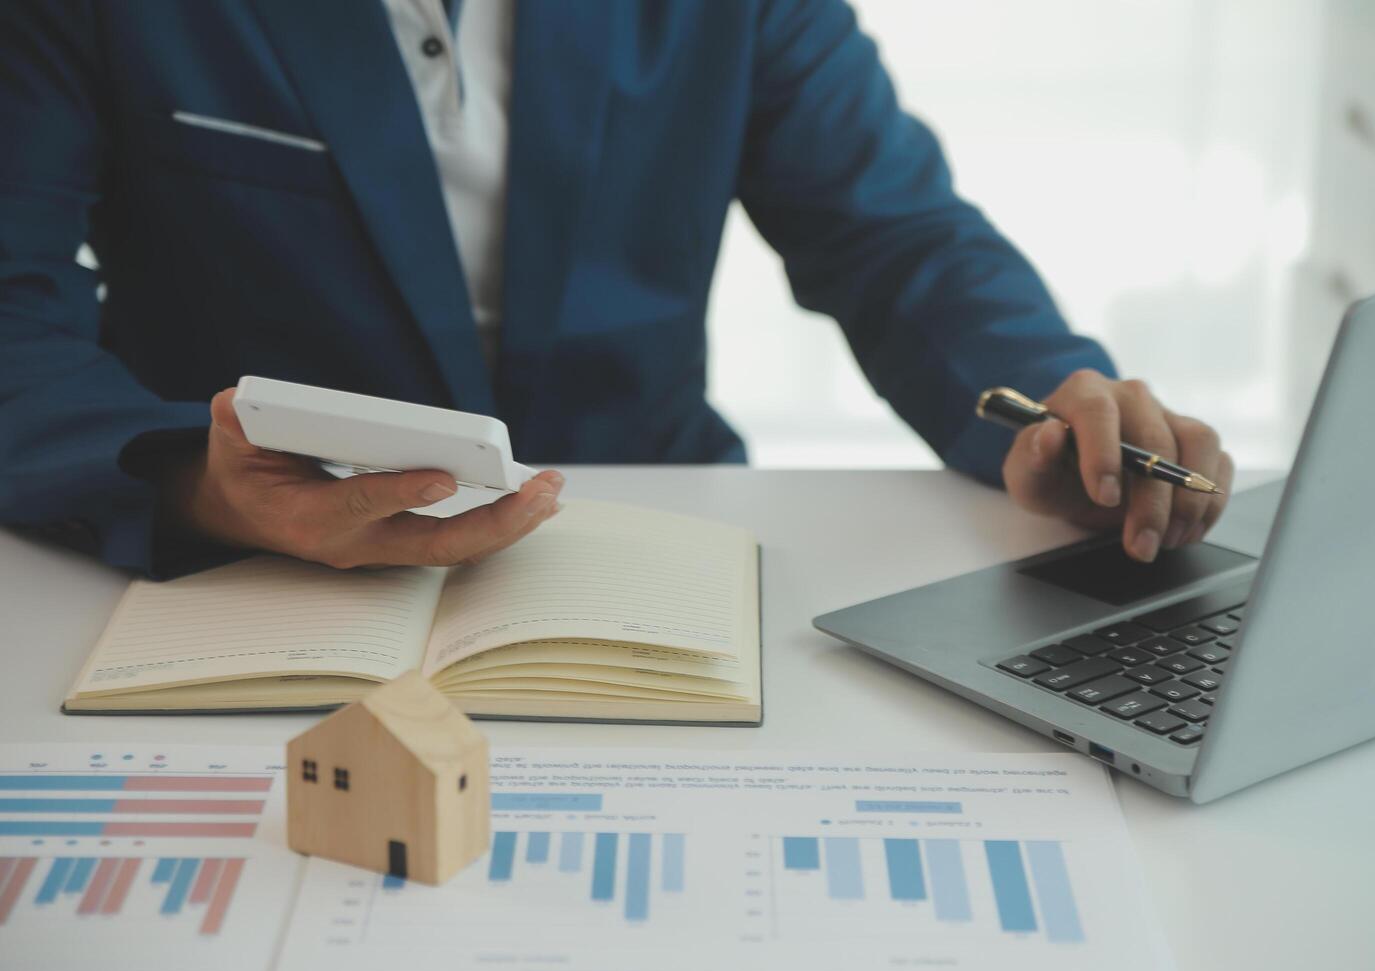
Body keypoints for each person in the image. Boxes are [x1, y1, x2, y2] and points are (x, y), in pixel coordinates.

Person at [0, 0, 1231, 578]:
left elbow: (898, 238)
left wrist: (1057, 409)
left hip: (645, 536)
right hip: (249, 571)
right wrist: (190, 484)